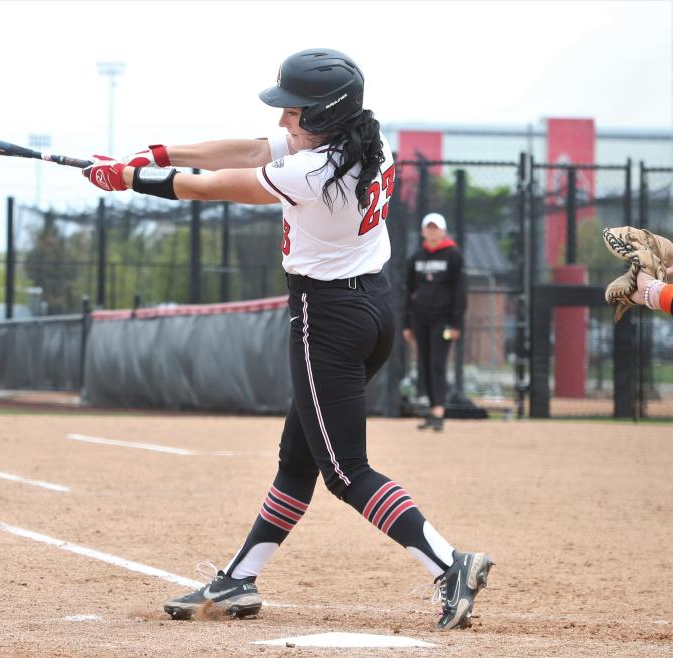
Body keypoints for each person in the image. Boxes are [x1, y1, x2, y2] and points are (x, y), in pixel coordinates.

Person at [82, 48, 492, 631]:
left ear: (324, 116)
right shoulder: (367, 144)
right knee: (297, 459)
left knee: (346, 471)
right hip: (371, 306)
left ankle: (449, 563)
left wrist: (133, 180)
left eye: (293, 113)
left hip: (325, 318)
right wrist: (158, 152)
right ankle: (240, 578)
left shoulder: (311, 172)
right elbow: (250, 149)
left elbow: (217, 185)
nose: (282, 122)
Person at [403, 213, 467, 432]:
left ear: (443, 231)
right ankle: (432, 410)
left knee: (437, 364)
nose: (432, 232)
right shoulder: (417, 257)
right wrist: (407, 324)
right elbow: (409, 291)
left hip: (443, 320)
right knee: (424, 364)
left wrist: (456, 323)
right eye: (428, 228)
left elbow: (460, 291)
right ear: (423, 231)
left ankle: (439, 411)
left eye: (435, 228)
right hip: (420, 319)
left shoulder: (454, 255)